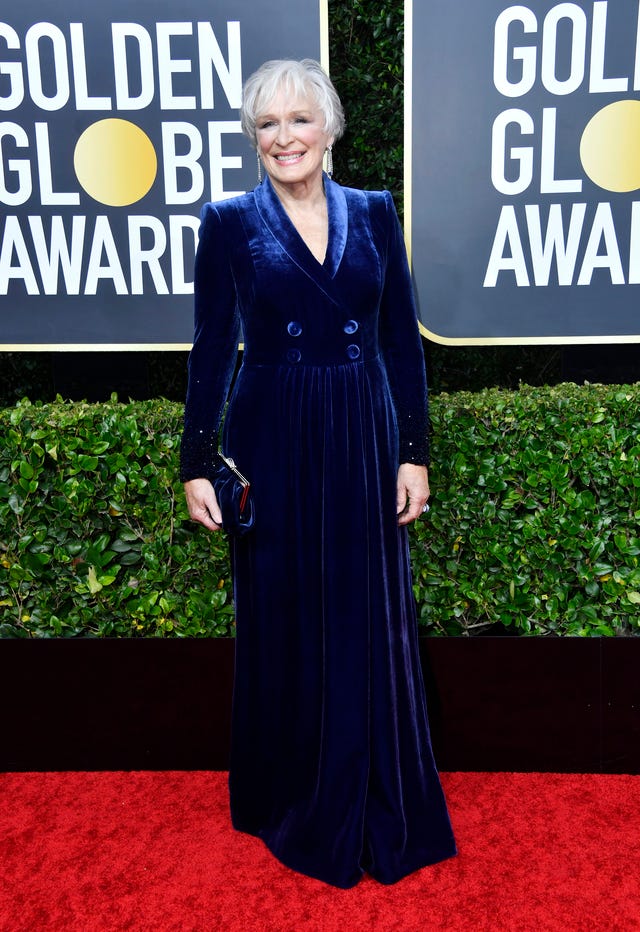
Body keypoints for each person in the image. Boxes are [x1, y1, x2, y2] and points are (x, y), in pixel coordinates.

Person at [180, 58, 456, 888]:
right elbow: (209, 348)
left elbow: (400, 341)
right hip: (273, 434)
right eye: (267, 124)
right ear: (253, 138)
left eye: (300, 119)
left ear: (329, 128)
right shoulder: (229, 222)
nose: (284, 137)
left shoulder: (374, 212)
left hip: (363, 431)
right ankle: (291, 792)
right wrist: (197, 463)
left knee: (365, 611)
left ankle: (374, 789)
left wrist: (414, 452)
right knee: (286, 612)